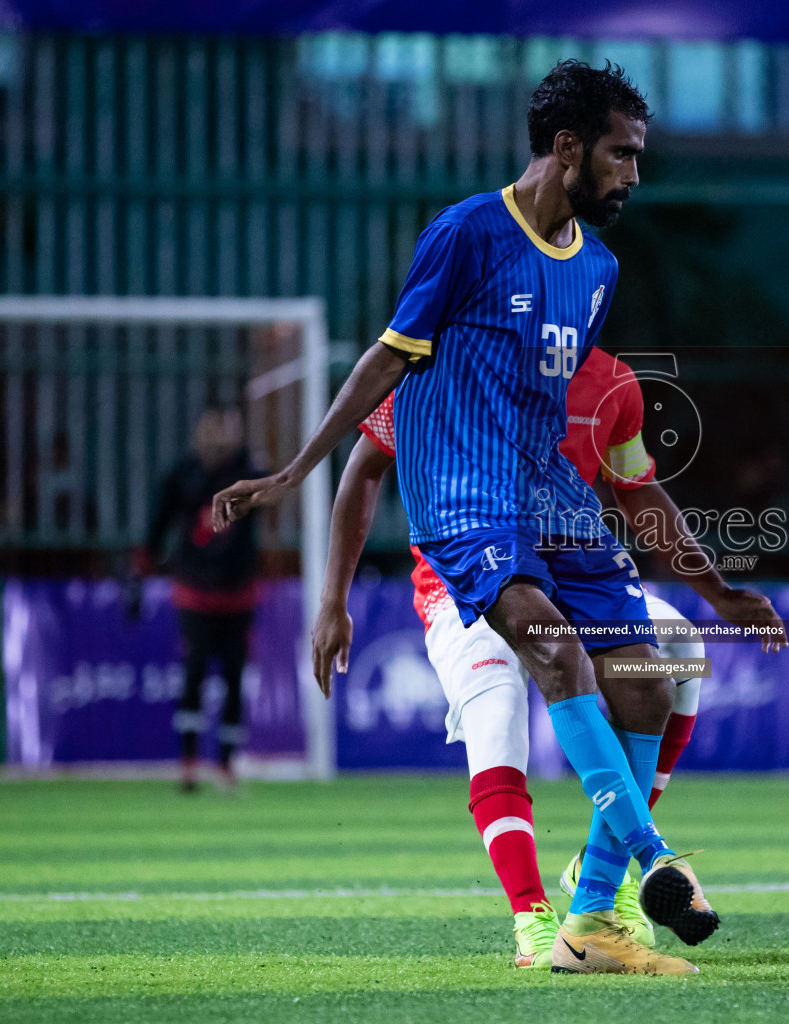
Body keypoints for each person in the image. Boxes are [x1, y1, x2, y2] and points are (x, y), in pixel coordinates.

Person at [211, 61, 742, 975]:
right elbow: (386, 360)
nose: (635, 174)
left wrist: (711, 581)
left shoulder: (600, 272)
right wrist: (298, 467)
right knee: (547, 643)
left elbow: (568, 422)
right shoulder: (463, 233)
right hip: (465, 498)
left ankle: (587, 927)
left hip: (551, 501)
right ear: (567, 147)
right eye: (623, 153)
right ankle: (649, 862)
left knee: (651, 678)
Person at [316, 348, 785, 968]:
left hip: (569, 574)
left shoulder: (613, 381)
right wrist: (333, 599)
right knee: (498, 710)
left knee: (677, 651)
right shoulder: (449, 362)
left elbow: (637, 490)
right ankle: (533, 916)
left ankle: (602, 875)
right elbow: (366, 467)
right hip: (464, 578)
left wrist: (718, 594)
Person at [137, 406, 261, 793]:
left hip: (238, 594)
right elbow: (156, 527)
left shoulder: (252, 472)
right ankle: (188, 763)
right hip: (194, 592)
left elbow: (282, 490)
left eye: (227, 427)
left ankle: (226, 765)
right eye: (213, 427)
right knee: (192, 674)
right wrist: (138, 576)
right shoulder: (182, 474)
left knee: (234, 679)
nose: (220, 436)